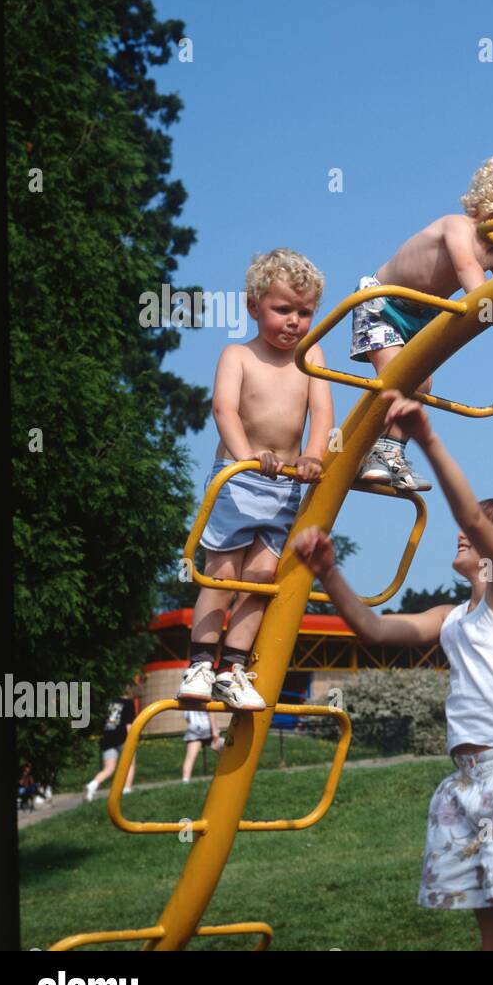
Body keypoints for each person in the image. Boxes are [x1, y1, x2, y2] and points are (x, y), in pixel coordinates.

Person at [294, 389, 493, 951]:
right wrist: (329, 573)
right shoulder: (452, 617)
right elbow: (375, 631)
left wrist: (427, 439)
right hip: (467, 784)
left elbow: (467, 511)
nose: (465, 531)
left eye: (487, 529)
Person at [177, 249, 334, 712]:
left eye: (304, 312)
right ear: (253, 308)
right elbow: (223, 409)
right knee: (222, 574)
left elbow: (322, 413)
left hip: (285, 484)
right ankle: (202, 663)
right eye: (282, 309)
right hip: (239, 479)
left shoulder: (311, 358)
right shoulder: (238, 355)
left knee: (262, 578)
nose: (294, 322)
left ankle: (234, 669)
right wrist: (246, 459)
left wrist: (313, 455)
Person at [351, 152, 493, 491]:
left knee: (422, 385)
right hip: (383, 304)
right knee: (396, 377)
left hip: (421, 314)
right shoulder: (457, 227)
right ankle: (364, 451)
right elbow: (468, 270)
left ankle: (390, 452)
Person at [85, 695, 137, 802]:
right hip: (122, 737)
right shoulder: (128, 703)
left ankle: (92, 785)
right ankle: (126, 790)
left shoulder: (111, 702)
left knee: (109, 768)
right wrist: (133, 739)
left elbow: (108, 722)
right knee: (129, 763)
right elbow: (129, 725)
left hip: (107, 737)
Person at [181, 708, 224, 782]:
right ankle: (228, 773)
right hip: (207, 727)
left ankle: (185, 780)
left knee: (190, 758)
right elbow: (211, 712)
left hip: (194, 728)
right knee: (225, 751)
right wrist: (215, 731)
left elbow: (187, 718)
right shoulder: (203, 698)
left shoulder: (186, 701)